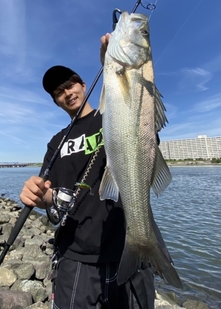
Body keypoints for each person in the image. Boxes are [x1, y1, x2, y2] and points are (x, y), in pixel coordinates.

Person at [20, 35, 159, 308]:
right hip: (77, 255)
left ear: (84, 85)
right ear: (56, 102)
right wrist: (40, 196)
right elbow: (53, 201)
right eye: (59, 92)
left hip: (126, 247)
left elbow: (140, 111)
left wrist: (114, 65)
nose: (67, 93)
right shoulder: (57, 141)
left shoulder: (113, 114)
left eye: (70, 84)